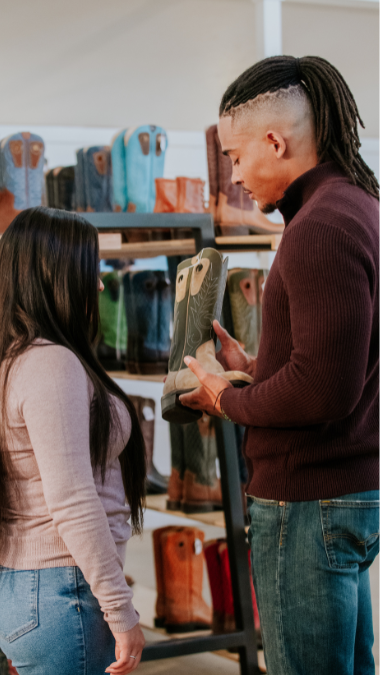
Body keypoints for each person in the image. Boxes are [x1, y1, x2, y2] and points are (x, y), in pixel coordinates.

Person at [179, 56, 379, 675]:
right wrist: (257, 366)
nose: (235, 177)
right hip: (341, 492)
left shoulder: (319, 228)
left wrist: (225, 398)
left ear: (276, 141)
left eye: (237, 156)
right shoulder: (358, 207)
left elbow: (324, 388)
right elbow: (342, 355)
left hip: (307, 501)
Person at [0, 207, 147, 675]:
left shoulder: (10, 357)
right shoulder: (51, 363)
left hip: (29, 587)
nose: (99, 285)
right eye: (91, 270)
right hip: (60, 591)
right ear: (55, 276)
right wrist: (121, 611)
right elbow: (72, 498)